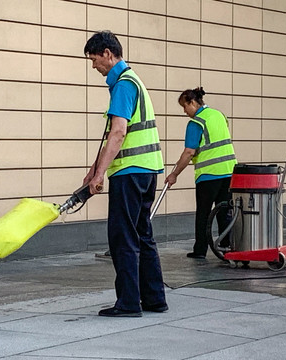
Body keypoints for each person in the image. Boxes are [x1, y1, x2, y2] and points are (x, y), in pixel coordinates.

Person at [83, 30, 167, 317]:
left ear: (108, 53)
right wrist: (94, 169)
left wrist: (99, 175)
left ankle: (129, 302)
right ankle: (155, 299)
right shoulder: (134, 81)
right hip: (146, 171)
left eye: (94, 60)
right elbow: (115, 134)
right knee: (142, 234)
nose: (94, 67)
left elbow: (118, 133)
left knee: (124, 237)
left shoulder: (122, 84)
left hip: (129, 173)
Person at [165, 87, 237, 259]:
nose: (184, 111)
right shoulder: (219, 115)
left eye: (184, 106)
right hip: (229, 171)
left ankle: (200, 250)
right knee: (224, 212)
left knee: (203, 214)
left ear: (192, 102)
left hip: (209, 174)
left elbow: (190, 151)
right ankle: (227, 247)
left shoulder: (196, 122)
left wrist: (174, 174)